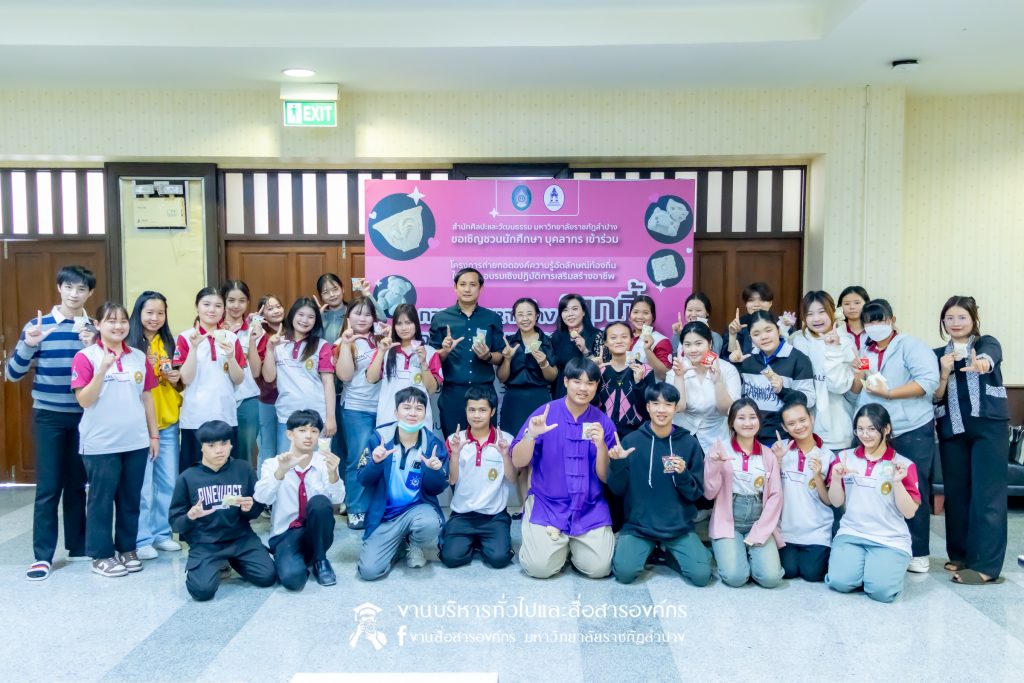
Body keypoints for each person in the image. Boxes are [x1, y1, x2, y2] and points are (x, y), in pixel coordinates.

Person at [9, 265, 96, 581]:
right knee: (48, 487)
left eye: (81, 288)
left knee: (78, 485)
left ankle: (79, 546)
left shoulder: (94, 328)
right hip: (48, 416)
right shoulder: (38, 325)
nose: (74, 294)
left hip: (86, 416)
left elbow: (104, 374)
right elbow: (13, 374)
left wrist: (92, 346)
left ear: (90, 293)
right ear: (59, 288)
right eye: (69, 287)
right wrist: (29, 344)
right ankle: (42, 556)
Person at [71, 302, 160, 577]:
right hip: (100, 444)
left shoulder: (138, 356)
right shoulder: (86, 357)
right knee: (101, 499)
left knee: (131, 498)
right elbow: (84, 400)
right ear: (98, 325)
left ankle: (127, 548)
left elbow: (147, 396)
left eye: (122, 321)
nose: (118, 326)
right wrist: (102, 371)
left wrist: (153, 434)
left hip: (136, 441)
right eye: (111, 320)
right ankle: (101, 555)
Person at [852, 299, 939, 574]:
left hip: (910, 427)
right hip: (875, 431)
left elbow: (928, 382)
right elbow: (860, 386)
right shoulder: (865, 349)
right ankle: (882, 544)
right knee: (876, 488)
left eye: (880, 320)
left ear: (892, 320)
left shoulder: (910, 345)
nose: (875, 325)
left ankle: (919, 552)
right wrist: (857, 373)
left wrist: (889, 394)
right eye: (869, 321)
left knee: (913, 487)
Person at [511, 357, 617, 579]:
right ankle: (553, 543)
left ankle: (569, 546)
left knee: (599, 569)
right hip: (548, 505)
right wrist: (531, 435)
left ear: (597, 386)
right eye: (577, 381)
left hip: (589, 508)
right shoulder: (545, 413)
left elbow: (606, 477)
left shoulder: (603, 422)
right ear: (566, 382)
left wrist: (601, 447)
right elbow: (518, 461)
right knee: (539, 568)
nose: (583, 388)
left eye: (590, 383)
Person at [933, 296, 1008, 585]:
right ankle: (961, 555)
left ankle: (986, 566)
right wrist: (943, 372)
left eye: (962, 317)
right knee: (957, 494)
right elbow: (935, 397)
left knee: (987, 495)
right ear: (943, 322)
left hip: (988, 428)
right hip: (952, 429)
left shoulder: (986, 343)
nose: (955, 323)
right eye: (949, 318)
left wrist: (982, 364)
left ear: (973, 319)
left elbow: (990, 357)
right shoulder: (938, 355)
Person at [608, 382, 711, 586]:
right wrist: (618, 464)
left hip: (678, 527)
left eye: (667, 404)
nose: (661, 410)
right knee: (624, 573)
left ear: (675, 408)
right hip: (639, 526)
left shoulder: (689, 443)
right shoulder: (631, 442)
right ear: (648, 407)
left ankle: (670, 554)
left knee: (701, 576)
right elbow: (617, 490)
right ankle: (648, 550)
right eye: (655, 404)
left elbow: (696, 494)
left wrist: (683, 474)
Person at [168, 420, 276, 601]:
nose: (219, 450)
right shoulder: (187, 478)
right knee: (202, 592)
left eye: (224, 443)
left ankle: (233, 560)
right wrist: (190, 516)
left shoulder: (243, 469)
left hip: (241, 539)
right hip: (206, 543)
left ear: (231, 444)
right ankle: (217, 562)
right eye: (211, 445)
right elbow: (175, 523)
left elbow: (255, 510)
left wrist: (250, 508)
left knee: (267, 577)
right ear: (202, 447)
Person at [825, 405, 921, 602]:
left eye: (871, 429)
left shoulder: (903, 464)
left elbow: (910, 512)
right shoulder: (844, 458)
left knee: (881, 592)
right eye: (860, 429)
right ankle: (868, 568)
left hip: (890, 539)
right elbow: (836, 502)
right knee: (839, 582)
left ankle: (880, 569)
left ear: (886, 429)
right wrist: (835, 478)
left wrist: (897, 482)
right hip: (851, 534)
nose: (865, 435)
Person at [356, 387, 449, 580]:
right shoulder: (379, 439)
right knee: (369, 572)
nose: (413, 413)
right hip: (384, 517)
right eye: (407, 407)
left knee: (430, 523)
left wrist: (434, 471)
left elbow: (437, 488)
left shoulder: (432, 444)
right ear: (396, 412)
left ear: (425, 413)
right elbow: (363, 480)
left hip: (416, 511)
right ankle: (397, 544)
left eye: (419, 408)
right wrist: (375, 463)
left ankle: (414, 544)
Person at [254, 409, 345, 589]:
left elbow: (338, 498)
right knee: (293, 581)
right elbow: (262, 498)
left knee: (320, 502)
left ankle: (320, 560)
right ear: (290, 434)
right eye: (302, 430)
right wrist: (281, 472)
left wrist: (333, 474)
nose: (308, 436)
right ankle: (294, 559)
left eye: (314, 431)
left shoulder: (324, 462)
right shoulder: (273, 464)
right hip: (285, 534)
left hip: (316, 532)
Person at [126, 291, 184, 560]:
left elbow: (180, 384)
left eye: (160, 313)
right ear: (138, 313)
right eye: (149, 312)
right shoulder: (129, 345)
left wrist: (176, 379)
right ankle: (142, 538)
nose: (155, 318)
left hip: (168, 421)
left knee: (168, 482)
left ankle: (162, 534)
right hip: (140, 425)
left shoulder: (169, 343)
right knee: (144, 486)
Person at [704, 398, 785, 588]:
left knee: (771, 579)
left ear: (759, 421)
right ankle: (730, 551)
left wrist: (760, 530)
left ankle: (747, 553)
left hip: (758, 520)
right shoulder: (719, 450)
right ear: (732, 422)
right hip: (728, 519)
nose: (747, 423)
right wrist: (715, 465)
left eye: (752, 417)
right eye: (741, 418)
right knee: (735, 578)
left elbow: (775, 496)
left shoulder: (768, 455)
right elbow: (709, 493)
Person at [440, 385, 516, 569]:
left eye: (482, 410)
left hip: (494, 517)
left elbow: (513, 479)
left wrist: (505, 455)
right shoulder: (454, 439)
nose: (476, 415)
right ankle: (472, 542)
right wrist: (455, 454)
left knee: (499, 560)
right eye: (472, 410)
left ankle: (484, 542)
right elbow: (452, 480)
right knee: (450, 558)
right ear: (466, 411)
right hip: (462, 515)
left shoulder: (506, 440)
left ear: (492, 411)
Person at [174, 287, 246, 470]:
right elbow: (186, 379)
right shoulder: (185, 337)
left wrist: (231, 357)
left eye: (218, 306)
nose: (212, 310)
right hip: (195, 417)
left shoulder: (231, 338)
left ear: (223, 309)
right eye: (206, 304)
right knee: (194, 471)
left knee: (227, 471)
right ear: (197, 306)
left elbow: (239, 379)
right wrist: (194, 348)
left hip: (225, 415)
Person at [427, 268, 503, 437]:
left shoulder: (492, 318)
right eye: (462, 284)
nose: (467, 289)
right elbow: (432, 358)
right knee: (454, 443)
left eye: (472, 285)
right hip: (453, 393)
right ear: (455, 287)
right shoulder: (441, 318)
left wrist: (488, 356)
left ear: (480, 288)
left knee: (485, 445)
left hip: (484, 393)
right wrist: (445, 351)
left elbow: (500, 356)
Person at [770, 399, 837, 582]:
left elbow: (829, 501)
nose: (799, 426)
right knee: (788, 571)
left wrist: (817, 476)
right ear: (784, 427)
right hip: (785, 531)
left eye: (802, 420)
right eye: (791, 423)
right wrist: (778, 461)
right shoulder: (779, 449)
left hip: (817, 532)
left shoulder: (828, 456)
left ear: (811, 418)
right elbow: (768, 491)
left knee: (812, 573)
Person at [262, 297, 336, 454]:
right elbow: (268, 377)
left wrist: (331, 417)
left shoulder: (321, 345)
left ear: (316, 321)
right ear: (292, 315)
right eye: (301, 315)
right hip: (286, 417)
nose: (305, 320)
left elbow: (328, 383)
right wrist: (269, 349)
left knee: (319, 464)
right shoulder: (278, 343)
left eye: (311, 317)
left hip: (317, 418)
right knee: (287, 464)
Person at [336, 296, 385, 530]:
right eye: (357, 313)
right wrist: (346, 344)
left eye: (368, 314)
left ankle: (377, 506)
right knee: (358, 458)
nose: (363, 318)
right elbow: (344, 376)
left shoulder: (381, 339)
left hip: (385, 409)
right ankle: (355, 508)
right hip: (357, 409)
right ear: (348, 316)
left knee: (381, 459)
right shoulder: (343, 341)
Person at [733, 311, 815, 444]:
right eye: (756, 334)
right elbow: (737, 397)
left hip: (783, 438)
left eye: (768, 330)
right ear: (750, 337)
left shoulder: (798, 359)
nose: (764, 337)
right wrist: (736, 366)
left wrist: (783, 390)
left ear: (778, 330)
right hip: (750, 436)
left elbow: (809, 400)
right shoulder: (747, 359)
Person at [788, 291, 856, 451]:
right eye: (810, 314)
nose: (816, 319)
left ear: (832, 312)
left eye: (821, 312)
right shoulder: (797, 341)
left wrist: (833, 349)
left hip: (836, 431)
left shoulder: (845, 342)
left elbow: (838, 386)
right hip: (801, 430)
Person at [666, 321, 741, 454]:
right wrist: (679, 377)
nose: (693, 350)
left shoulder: (728, 369)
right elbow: (678, 408)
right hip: (683, 436)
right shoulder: (676, 370)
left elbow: (729, 411)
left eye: (698, 343)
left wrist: (717, 381)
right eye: (687, 345)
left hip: (718, 438)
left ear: (710, 343)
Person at [366, 303, 443, 431]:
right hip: (388, 419)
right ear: (394, 326)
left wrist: (423, 362)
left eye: (408, 323)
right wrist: (381, 352)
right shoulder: (386, 351)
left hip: (419, 421)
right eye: (399, 324)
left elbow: (431, 389)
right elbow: (371, 378)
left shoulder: (430, 352)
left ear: (416, 324)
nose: (404, 328)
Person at [497, 297, 556, 435]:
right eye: (520, 314)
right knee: (512, 440)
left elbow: (552, 377)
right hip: (513, 401)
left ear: (537, 316)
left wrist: (544, 363)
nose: (525, 318)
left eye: (529, 314)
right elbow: (501, 378)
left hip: (539, 398)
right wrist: (507, 359)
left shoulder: (547, 342)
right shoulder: (508, 342)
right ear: (514, 317)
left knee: (541, 440)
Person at [221, 280, 261, 467]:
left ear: (248, 302)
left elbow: (256, 371)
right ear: (223, 301)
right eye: (231, 300)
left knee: (246, 453)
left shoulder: (254, 330)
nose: (236, 306)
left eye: (242, 301)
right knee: (219, 452)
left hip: (247, 399)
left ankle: (245, 486)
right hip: (218, 399)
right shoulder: (213, 329)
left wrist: (251, 340)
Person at [596, 321, 654, 440]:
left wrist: (639, 383)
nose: (619, 341)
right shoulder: (599, 370)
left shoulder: (645, 370)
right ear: (605, 342)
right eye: (613, 337)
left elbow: (649, 409)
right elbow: (590, 404)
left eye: (624, 337)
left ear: (632, 340)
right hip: (604, 434)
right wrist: (592, 375)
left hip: (637, 436)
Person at [246, 294, 285, 470]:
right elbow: (256, 371)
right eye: (270, 308)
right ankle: (265, 485)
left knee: (287, 448)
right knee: (267, 447)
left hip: (290, 399)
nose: (276, 311)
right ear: (262, 314)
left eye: (278, 306)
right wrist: (253, 328)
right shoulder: (259, 334)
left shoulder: (293, 330)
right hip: (267, 398)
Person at [549, 293, 602, 399]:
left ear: (583, 312)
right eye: (565, 310)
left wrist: (585, 350)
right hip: (561, 393)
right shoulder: (555, 337)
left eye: (575, 309)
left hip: (587, 394)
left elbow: (601, 370)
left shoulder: (597, 335)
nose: (570, 314)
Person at [627, 295, 673, 379]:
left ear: (653, 316)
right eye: (635, 312)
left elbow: (664, 375)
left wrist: (648, 350)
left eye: (645, 313)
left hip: (650, 387)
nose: (640, 317)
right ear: (630, 315)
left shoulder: (661, 341)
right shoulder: (625, 338)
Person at [724, 281, 775, 356]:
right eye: (751, 300)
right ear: (746, 304)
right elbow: (728, 357)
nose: (756, 304)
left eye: (762, 300)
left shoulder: (780, 324)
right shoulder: (738, 325)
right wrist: (732, 335)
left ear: (770, 303)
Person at [671, 292, 724, 357]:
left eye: (698, 310)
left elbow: (714, 361)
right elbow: (674, 358)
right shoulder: (680, 333)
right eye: (689, 310)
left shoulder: (715, 337)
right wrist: (677, 335)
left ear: (707, 312)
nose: (693, 314)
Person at [837, 286, 870, 353]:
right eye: (847, 304)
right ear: (840, 306)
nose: (852, 307)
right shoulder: (837, 333)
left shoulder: (874, 331)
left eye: (857, 303)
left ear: (867, 303)